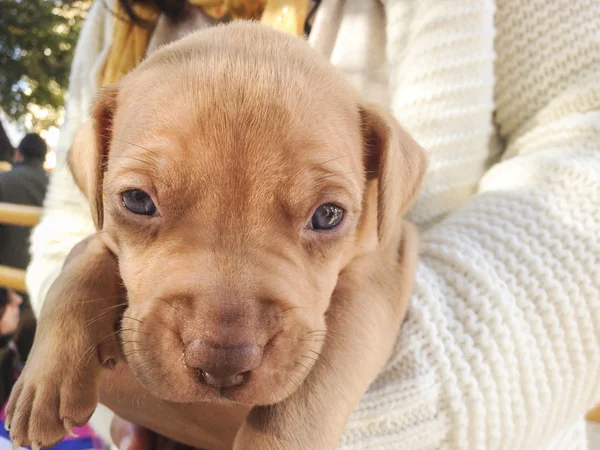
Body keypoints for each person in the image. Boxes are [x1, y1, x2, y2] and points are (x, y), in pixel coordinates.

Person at [24, 0, 600, 449]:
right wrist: (73, 294)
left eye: (324, 216)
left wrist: (322, 421)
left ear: (384, 185)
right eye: (141, 203)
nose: (225, 347)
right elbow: (78, 228)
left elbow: (584, 139)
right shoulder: (116, 19)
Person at [0, 133, 49, 275]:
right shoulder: (55, 187)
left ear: (18, 154)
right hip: (42, 278)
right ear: (43, 159)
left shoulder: (4, 180)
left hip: (8, 279)